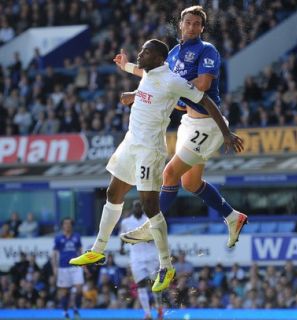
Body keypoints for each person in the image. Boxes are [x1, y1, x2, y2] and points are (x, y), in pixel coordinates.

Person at [69, 39, 243, 294]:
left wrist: (226, 132)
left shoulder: (172, 80)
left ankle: (166, 266)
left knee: (151, 206)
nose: (141, 53)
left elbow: (205, 99)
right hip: (130, 143)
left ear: (159, 58)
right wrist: (132, 85)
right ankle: (97, 251)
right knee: (112, 193)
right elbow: (148, 85)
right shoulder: (151, 73)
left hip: (150, 149)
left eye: (146, 52)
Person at [116, 5, 248, 249]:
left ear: (202, 28)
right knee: (190, 183)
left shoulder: (207, 50)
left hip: (207, 125)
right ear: (180, 24)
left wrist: (173, 92)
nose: (191, 27)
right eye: (188, 22)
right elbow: (153, 77)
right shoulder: (174, 52)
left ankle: (151, 224)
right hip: (189, 123)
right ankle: (233, 217)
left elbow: (202, 84)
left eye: (197, 24)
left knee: (169, 174)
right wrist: (126, 67)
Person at [120, 200, 163, 320]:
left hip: (151, 256)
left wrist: (149, 237)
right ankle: (148, 313)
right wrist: (121, 247)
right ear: (133, 208)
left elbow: (157, 235)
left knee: (155, 284)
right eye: (136, 206)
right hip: (136, 257)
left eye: (139, 206)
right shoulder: (126, 222)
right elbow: (122, 236)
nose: (138, 208)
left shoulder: (149, 220)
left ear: (142, 208)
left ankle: (159, 307)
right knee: (140, 284)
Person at [53, 218, 83, 320]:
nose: (67, 225)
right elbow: (54, 254)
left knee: (79, 289)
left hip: (75, 266)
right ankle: (65, 312)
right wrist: (54, 267)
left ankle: (75, 308)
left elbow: (80, 251)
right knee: (64, 292)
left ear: (72, 225)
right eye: (65, 223)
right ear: (62, 226)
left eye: (69, 223)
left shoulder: (77, 237)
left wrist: (83, 264)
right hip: (63, 267)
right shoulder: (58, 238)